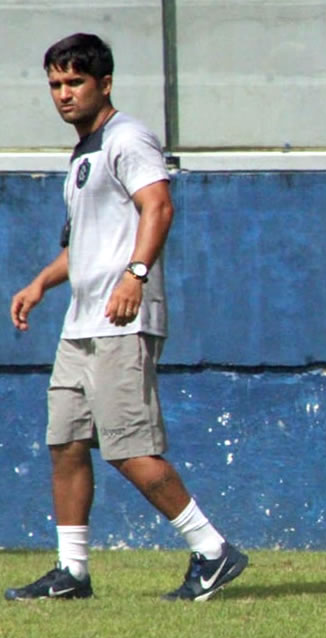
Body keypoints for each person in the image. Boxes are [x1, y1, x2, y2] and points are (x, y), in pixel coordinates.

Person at [6, 33, 248, 602]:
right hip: (80, 324)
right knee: (65, 442)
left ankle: (212, 551)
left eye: (75, 82)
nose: (64, 94)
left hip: (121, 320)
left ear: (105, 83)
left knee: (128, 447)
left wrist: (135, 276)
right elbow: (83, 247)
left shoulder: (128, 138)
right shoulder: (82, 154)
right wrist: (40, 283)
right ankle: (72, 572)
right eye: (55, 84)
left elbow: (158, 205)